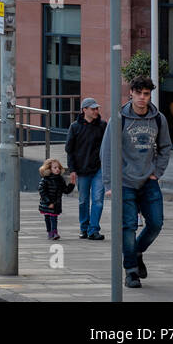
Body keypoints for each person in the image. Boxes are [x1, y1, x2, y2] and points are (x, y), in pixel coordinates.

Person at [100, 75, 172, 288]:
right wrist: (109, 184)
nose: (142, 98)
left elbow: (166, 147)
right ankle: (131, 271)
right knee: (128, 226)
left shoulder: (158, 119)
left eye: (146, 94)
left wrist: (157, 172)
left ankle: (137, 252)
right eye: (138, 93)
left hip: (149, 180)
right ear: (131, 93)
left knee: (156, 223)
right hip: (125, 182)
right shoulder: (119, 119)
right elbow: (107, 151)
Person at [65, 98, 106, 240]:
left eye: (97, 108)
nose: (96, 111)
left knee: (98, 200)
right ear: (84, 110)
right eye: (93, 109)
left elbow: (108, 147)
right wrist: (72, 170)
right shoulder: (75, 127)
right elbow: (69, 150)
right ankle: (84, 228)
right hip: (81, 170)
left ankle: (93, 230)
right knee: (83, 200)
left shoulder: (102, 126)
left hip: (99, 170)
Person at [38, 158, 74, 240]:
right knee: (47, 218)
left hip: (56, 203)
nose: (57, 169)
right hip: (47, 203)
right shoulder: (45, 180)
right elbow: (42, 191)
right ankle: (50, 232)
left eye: (58, 167)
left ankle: (54, 232)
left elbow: (65, 190)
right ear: (49, 169)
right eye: (55, 168)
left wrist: (72, 184)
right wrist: (48, 202)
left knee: (54, 218)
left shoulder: (60, 179)